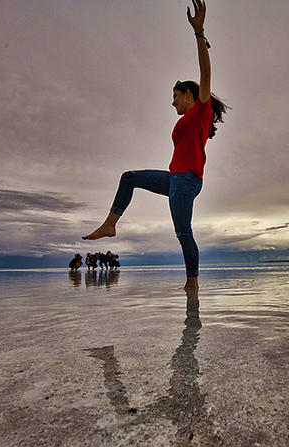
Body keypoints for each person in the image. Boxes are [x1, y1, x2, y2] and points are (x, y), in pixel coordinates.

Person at [82, 0, 229, 291]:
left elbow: (206, 75)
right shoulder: (190, 117)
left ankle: (192, 284)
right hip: (176, 177)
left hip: (186, 179)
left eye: (175, 96)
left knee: (183, 232)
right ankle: (110, 224)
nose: (172, 102)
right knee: (130, 178)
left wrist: (199, 34)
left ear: (188, 94)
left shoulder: (201, 110)